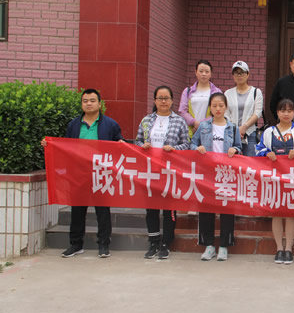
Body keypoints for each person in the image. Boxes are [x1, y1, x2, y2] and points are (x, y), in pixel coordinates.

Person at [41, 89, 124, 258]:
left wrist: (121, 143)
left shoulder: (110, 124)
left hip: (101, 172)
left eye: (92, 100)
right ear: (81, 104)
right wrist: (49, 145)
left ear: (99, 104)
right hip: (78, 173)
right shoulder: (74, 124)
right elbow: (65, 147)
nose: (88, 103)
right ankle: (76, 244)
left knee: (102, 210)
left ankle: (103, 244)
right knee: (77, 210)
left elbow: (118, 143)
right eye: (85, 101)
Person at [256, 99, 294, 264]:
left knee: (290, 213)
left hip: (293, 178)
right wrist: (266, 153)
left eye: (289, 110)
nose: (286, 113)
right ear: (277, 113)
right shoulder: (269, 132)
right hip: (274, 178)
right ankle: (278, 248)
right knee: (276, 213)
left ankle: (288, 248)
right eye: (283, 110)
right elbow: (258, 149)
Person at [136, 85, 190, 260]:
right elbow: (137, 141)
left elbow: (187, 144)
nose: (163, 101)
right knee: (151, 208)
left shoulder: (179, 121)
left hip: (170, 171)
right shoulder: (146, 120)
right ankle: (153, 242)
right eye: (160, 98)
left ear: (172, 101)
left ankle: (166, 242)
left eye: (166, 98)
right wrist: (142, 146)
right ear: (155, 101)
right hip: (150, 170)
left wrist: (174, 149)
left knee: (169, 209)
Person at [190, 93, 242, 262]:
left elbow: (239, 147)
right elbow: (193, 143)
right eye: (214, 106)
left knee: (227, 209)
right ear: (210, 108)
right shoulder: (203, 126)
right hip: (207, 173)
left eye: (221, 105)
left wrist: (235, 150)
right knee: (206, 209)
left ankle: (224, 245)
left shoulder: (233, 128)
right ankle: (209, 245)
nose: (218, 109)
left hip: (226, 173)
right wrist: (197, 148)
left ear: (226, 107)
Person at [224, 60, 263, 157]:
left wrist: (244, 127)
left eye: (242, 72)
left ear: (248, 74)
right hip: (231, 134)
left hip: (250, 134)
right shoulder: (227, 93)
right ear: (233, 75)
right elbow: (226, 114)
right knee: (231, 162)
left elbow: (257, 113)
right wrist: (236, 130)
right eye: (236, 73)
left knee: (250, 162)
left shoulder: (256, 92)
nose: (239, 75)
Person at [178, 60, 223, 137]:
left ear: (211, 73)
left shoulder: (217, 92)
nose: (204, 74)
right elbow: (182, 111)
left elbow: (219, 111)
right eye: (201, 71)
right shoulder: (187, 91)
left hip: (210, 132)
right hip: (191, 131)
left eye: (207, 71)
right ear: (196, 72)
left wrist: (201, 124)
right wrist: (194, 122)